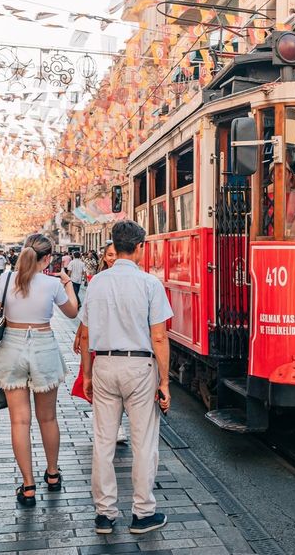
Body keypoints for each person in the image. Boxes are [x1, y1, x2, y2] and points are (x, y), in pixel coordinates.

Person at [79, 220, 173, 535]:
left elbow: (85, 336)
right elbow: (159, 337)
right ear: (140, 247)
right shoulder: (150, 284)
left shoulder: (96, 283)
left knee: (104, 442)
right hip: (139, 367)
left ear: (115, 247)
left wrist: (88, 374)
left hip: (104, 364)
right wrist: (164, 381)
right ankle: (143, 513)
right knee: (143, 442)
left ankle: (104, 515)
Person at [0, 233, 78, 507]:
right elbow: (72, 312)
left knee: (19, 422)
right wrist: (68, 283)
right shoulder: (51, 283)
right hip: (44, 346)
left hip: (12, 346)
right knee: (47, 418)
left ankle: (28, 486)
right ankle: (52, 474)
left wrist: (5, 326)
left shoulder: (6, 280)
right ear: (47, 259)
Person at [73, 241, 128, 444]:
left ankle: (117, 424)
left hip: (117, 338)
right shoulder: (97, 280)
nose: (113, 259)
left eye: (116, 254)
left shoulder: (131, 278)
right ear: (104, 257)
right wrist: (80, 334)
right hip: (98, 338)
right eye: (109, 255)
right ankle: (104, 421)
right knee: (97, 384)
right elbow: (87, 311)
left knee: (117, 387)